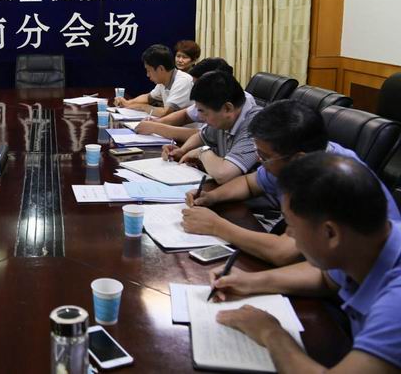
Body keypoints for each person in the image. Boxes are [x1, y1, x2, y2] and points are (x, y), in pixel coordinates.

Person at [209, 153, 401, 372]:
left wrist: (270, 333)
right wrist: (250, 281)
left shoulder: (396, 303)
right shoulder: (364, 244)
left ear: (330, 233)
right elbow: (326, 278)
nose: (289, 234)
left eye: (291, 225)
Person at [181, 100, 401, 265]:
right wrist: (212, 197)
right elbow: (250, 183)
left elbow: (283, 252)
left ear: (297, 159)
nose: (259, 160)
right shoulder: (299, 161)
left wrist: (216, 226)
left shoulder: (332, 181)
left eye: (264, 156)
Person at [163, 70, 261, 184]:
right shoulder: (223, 118)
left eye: (202, 111)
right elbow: (201, 136)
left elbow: (224, 174)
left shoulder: (257, 125)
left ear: (227, 108)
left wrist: (201, 152)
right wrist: (182, 151)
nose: (200, 117)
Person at [134, 57, 235, 143]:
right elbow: (186, 115)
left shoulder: (229, 105)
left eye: (198, 86)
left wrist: (155, 128)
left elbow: (202, 135)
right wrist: (158, 122)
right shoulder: (211, 97)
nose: (195, 90)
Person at [113, 44, 193, 117]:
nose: (147, 75)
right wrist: (127, 103)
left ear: (160, 69)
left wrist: (143, 107)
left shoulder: (183, 81)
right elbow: (148, 97)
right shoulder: (163, 81)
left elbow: (166, 113)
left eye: (149, 70)